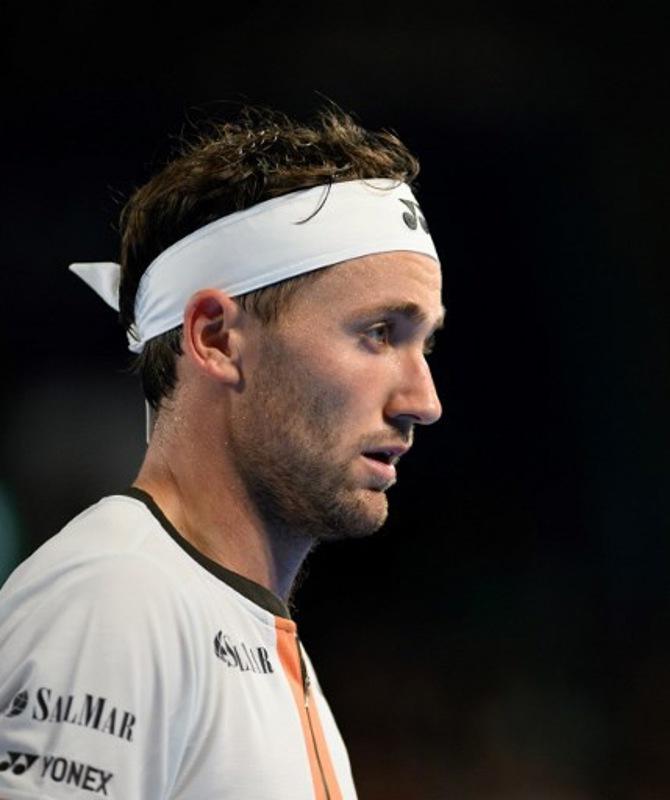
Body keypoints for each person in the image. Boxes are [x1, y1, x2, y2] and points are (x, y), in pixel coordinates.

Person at [0, 107, 445, 799]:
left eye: (426, 343)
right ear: (214, 337)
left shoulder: (244, 632)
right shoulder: (115, 598)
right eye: (379, 332)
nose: (423, 399)